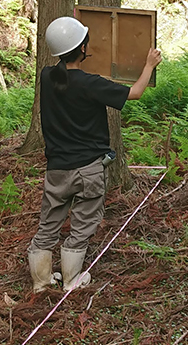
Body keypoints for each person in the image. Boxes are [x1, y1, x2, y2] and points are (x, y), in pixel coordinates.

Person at [28, 15, 161, 293]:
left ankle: (41, 283)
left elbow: (64, 72)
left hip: (56, 169)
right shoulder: (91, 84)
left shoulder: (46, 75)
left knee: (48, 224)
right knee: (83, 223)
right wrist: (149, 65)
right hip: (88, 168)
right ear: (83, 49)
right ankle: (71, 281)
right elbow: (135, 93)